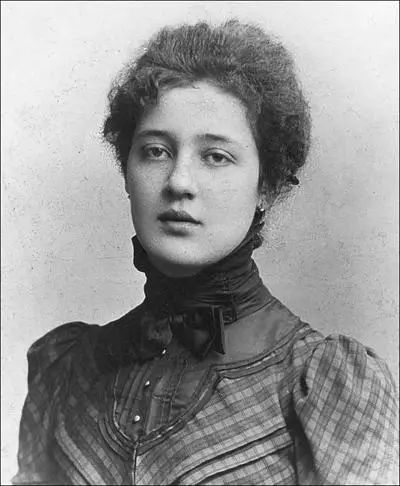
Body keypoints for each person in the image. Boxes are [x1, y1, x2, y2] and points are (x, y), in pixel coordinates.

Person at [12, 19, 398, 486]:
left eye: (216, 156)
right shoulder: (64, 372)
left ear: (267, 185)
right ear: (127, 169)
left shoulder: (324, 384)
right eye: (155, 151)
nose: (178, 182)